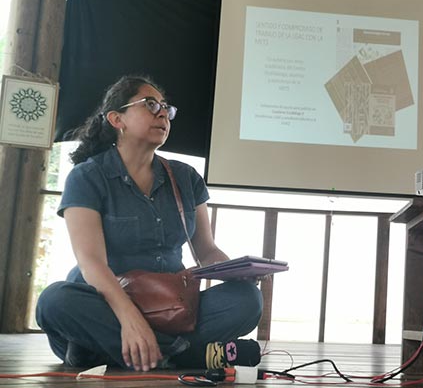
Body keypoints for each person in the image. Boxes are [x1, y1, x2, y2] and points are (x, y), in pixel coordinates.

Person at [36, 75, 263, 372]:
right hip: (106, 306)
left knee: (247, 300)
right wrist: (130, 320)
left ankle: (111, 351)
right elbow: (92, 263)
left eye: (166, 108)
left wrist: (238, 273)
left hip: (172, 306)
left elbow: (207, 251)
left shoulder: (186, 177)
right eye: (151, 104)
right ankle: (184, 354)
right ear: (117, 119)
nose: (162, 114)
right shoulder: (87, 177)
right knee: (54, 301)